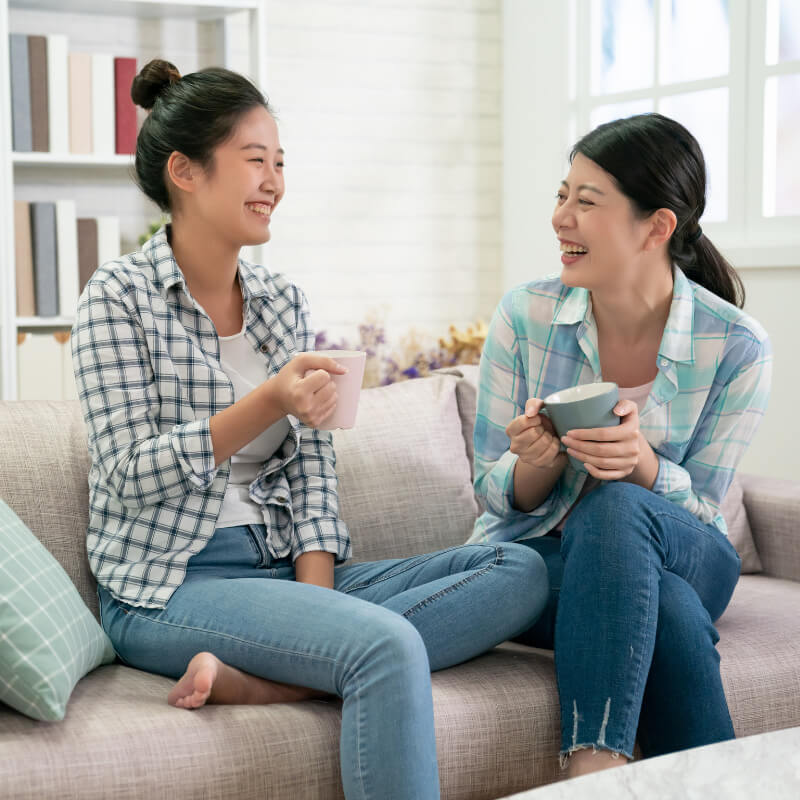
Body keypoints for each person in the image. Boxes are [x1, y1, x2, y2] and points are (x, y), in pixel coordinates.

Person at [71, 59, 549, 800]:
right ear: (185, 172)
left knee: (520, 571)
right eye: (254, 161)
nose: (274, 182)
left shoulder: (279, 301)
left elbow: (313, 475)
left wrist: (318, 601)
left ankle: (264, 681)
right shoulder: (117, 297)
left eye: (281, 163)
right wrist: (267, 402)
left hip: (281, 571)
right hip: (169, 587)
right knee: (384, 645)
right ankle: (306, 666)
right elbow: (127, 470)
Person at [469, 113, 772, 777]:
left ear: (657, 226)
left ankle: (592, 774)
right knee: (664, 608)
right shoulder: (525, 316)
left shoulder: (735, 346)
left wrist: (642, 469)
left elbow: (705, 506)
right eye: (561, 195)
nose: (560, 218)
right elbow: (491, 490)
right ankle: (638, 776)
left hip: (692, 551)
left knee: (617, 508)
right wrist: (534, 465)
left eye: (587, 201)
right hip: (546, 559)